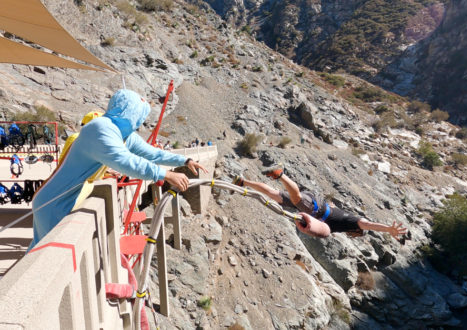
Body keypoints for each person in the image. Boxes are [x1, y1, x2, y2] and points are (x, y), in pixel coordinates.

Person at [28, 89, 207, 250]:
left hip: (68, 198)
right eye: (139, 117)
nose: (140, 123)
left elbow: (152, 153)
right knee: (43, 255)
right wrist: (165, 174)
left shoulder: (122, 134)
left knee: (39, 251)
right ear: (130, 113)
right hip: (53, 202)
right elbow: (125, 161)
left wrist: (184, 159)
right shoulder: (100, 128)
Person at [232, 164, 407, 240]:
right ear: (356, 231)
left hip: (317, 206)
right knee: (297, 198)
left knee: (273, 194)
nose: (354, 235)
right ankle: (280, 174)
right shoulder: (352, 223)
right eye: (357, 233)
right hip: (315, 208)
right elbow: (368, 224)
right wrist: (387, 229)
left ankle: (242, 182)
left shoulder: (344, 223)